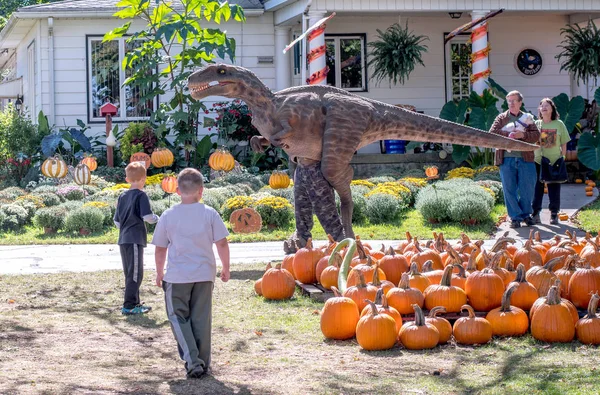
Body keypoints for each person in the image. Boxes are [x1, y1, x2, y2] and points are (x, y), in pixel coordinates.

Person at [152, 167, 230, 379]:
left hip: (177, 277)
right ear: (201, 191)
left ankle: (193, 361)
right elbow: (221, 242)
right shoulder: (209, 213)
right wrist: (226, 267)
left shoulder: (168, 216)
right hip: (204, 275)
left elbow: (160, 248)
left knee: (178, 317)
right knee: (201, 319)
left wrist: (159, 272)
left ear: (177, 191)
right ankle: (202, 362)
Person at [489, 90, 540, 228]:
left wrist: (522, 135)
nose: (511, 103)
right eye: (509, 101)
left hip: (526, 158)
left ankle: (526, 215)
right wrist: (510, 134)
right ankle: (515, 217)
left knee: (527, 189)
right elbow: (492, 134)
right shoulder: (501, 118)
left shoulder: (528, 118)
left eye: (514, 100)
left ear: (520, 102)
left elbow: (536, 135)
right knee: (509, 189)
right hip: (506, 159)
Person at [113, 162, 159, 315]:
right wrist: (158, 218)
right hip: (135, 239)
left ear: (127, 179)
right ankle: (129, 306)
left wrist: (126, 229)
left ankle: (136, 303)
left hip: (123, 239)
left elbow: (117, 221)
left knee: (130, 272)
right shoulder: (141, 195)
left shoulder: (122, 196)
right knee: (136, 274)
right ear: (143, 179)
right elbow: (147, 217)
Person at [532, 98, 570, 225]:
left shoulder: (559, 124)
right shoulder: (536, 124)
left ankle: (554, 214)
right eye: (541, 105)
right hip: (538, 161)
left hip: (554, 161)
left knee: (554, 188)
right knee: (537, 188)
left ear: (552, 109)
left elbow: (564, 143)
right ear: (539, 110)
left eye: (547, 105)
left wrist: (563, 157)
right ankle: (535, 213)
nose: (544, 107)